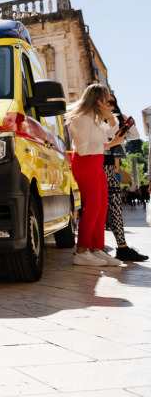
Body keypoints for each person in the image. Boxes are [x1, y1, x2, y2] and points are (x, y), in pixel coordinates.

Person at [65, 84, 125, 266]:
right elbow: (83, 149)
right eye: (106, 101)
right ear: (98, 100)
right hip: (86, 163)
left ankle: (96, 249)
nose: (109, 105)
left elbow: (111, 132)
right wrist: (111, 144)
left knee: (101, 207)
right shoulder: (81, 119)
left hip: (97, 164)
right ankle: (81, 251)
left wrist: (110, 117)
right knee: (92, 207)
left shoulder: (96, 119)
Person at [103, 94, 147, 262]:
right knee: (98, 209)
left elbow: (134, 136)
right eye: (107, 101)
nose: (110, 104)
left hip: (111, 167)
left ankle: (122, 247)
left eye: (113, 102)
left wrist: (123, 118)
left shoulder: (116, 120)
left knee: (115, 207)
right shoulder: (96, 120)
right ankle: (97, 247)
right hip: (97, 166)